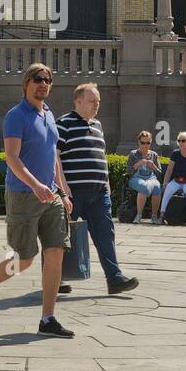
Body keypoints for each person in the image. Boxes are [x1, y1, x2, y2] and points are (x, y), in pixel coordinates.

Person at [0, 63, 74, 339]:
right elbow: (12, 158)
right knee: (24, 259)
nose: (43, 84)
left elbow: (53, 156)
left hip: (50, 196)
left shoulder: (49, 114)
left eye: (48, 80)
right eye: (38, 79)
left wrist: (62, 192)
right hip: (23, 195)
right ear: (26, 83)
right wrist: (36, 185)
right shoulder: (17, 116)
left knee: (56, 253)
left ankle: (48, 318)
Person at [56, 83, 138, 294]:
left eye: (98, 101)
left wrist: (107, 181)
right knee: (60, 237)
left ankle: (115, 279)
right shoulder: (63, 124)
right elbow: (53, 156)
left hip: (99, 192)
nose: (97, 105)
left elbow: (101, 155)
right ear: (78, 101)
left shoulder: (98, 125)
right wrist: (62, 185)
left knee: (105, 234)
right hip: (73, 192)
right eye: (92, 101)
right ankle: (56, 278)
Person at [158, 131, 186, 226]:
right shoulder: (175, 153)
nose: (181, 143)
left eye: (183, 140)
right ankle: (162, 216)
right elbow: (169, 171)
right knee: (168, 189)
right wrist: (165, 183)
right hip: (177, 180)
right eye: (179, 141)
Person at [126, 131, 164, 223]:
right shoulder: (133, 154)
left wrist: (153, 166)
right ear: (139, 142)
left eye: (148, 143)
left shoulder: (154, 155)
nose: (145, 145)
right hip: (136, 179)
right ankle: (139, 215)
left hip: (151, 179)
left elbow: (159, 173)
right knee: (144, 187)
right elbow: (129, 172)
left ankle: (154, 216)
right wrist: (138, 164)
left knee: (157, 187)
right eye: (143, 143)